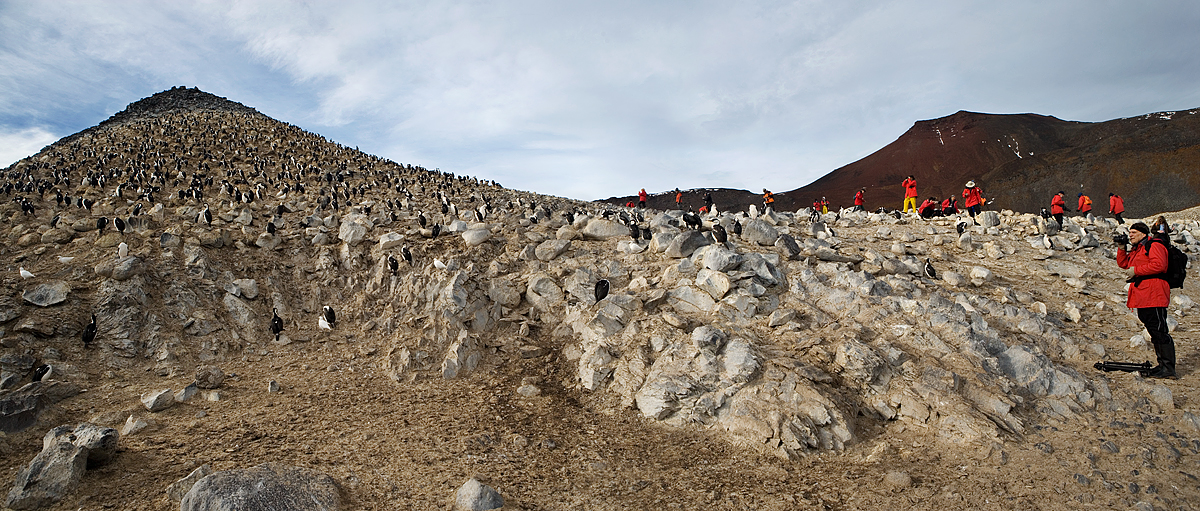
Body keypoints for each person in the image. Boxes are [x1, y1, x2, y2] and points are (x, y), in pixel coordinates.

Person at [1115, 222, 1175, 378]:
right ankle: (1162, 365)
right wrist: (1122, 248)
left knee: (1159, 329)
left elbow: (1160, 265)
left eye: (1134, 232)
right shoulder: (1138, 249)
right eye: (1130, 232)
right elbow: (1124, 264)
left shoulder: (1154, 245)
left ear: (1143, 233)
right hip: (1144, 295)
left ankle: (1168, 368)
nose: (1130, 235)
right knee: (1153, 329)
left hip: (1154, 293)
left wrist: (1136, 270)